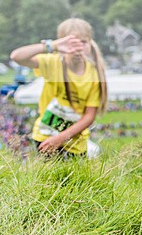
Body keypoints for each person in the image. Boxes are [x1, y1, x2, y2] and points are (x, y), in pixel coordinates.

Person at [10, 18, 108, 158]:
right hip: (45, 136)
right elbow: (17, 57)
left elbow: (89, 116)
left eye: (83, 42)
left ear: (90, 43)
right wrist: (52, 46)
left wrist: (61, 138)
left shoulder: (94, 73)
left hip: (75, 143)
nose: (77, 47)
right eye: (71, 42)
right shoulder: (53, 63)